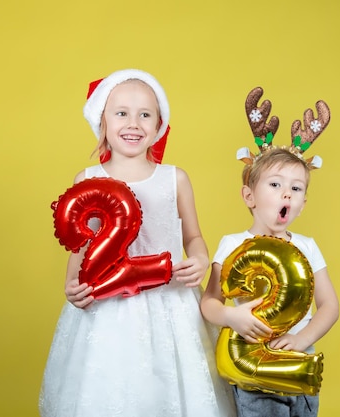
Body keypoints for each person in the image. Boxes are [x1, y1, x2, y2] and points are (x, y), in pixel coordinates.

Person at [39, 69, 236, 417]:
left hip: (169, 301)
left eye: (145, 114)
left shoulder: (174, 178)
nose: (134, 123)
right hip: (108, 306)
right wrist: (71, 286)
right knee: (112, 386)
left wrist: (201, 258)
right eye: (122, 113)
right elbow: (82, 245)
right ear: (103, 122)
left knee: (172, 384)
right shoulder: (89, 179)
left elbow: (192, 235)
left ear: (159, 124)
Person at [200, 90, 340, 417]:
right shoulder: (232, 244)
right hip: (251, 359)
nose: (286, 195)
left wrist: (302, 337)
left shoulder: (306, 246)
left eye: (296, 188)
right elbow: (209, 302)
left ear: (303, 204)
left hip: (297, 358)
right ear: (249, 196)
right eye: (275, 185)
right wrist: (232, 317)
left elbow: (330, 305)